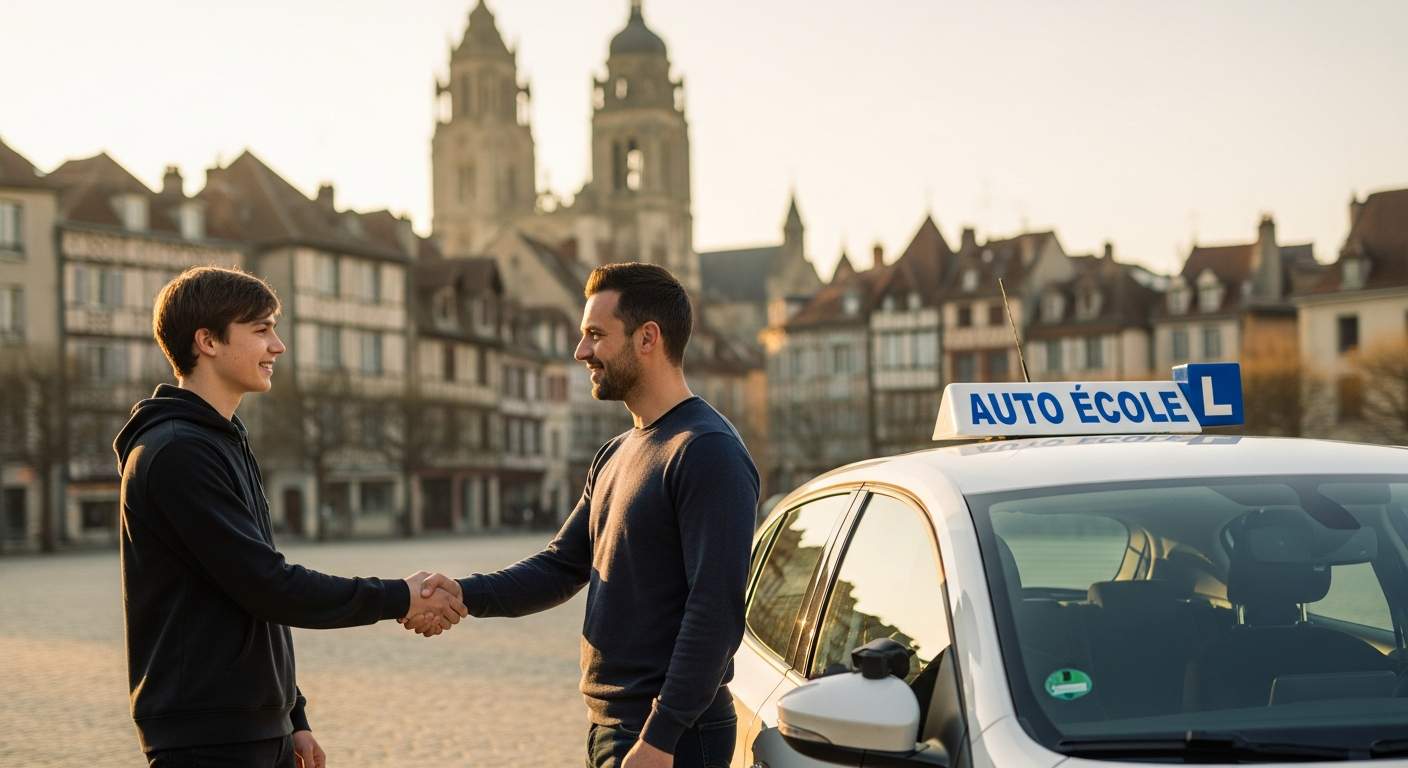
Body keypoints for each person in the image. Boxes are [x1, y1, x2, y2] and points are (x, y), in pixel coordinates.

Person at [406, 263, 760, 768]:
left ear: (647, 338)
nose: (581, 352)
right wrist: (463, 593)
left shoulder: (706, 451)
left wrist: (661, 737)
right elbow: (561, 565)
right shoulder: (615, 452)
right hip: (613, 725)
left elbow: (716, 612)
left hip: (672, 736)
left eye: (595, 334)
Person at [115, 266, 467, 768]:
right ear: (207, 341)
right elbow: (269, 585)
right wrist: (400, 595)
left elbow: (248, 594)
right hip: (208, 739)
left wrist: (292, 718)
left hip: (252, 729)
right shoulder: (175, 453)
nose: (277, 346)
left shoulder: (221, 439)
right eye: (261, 330)